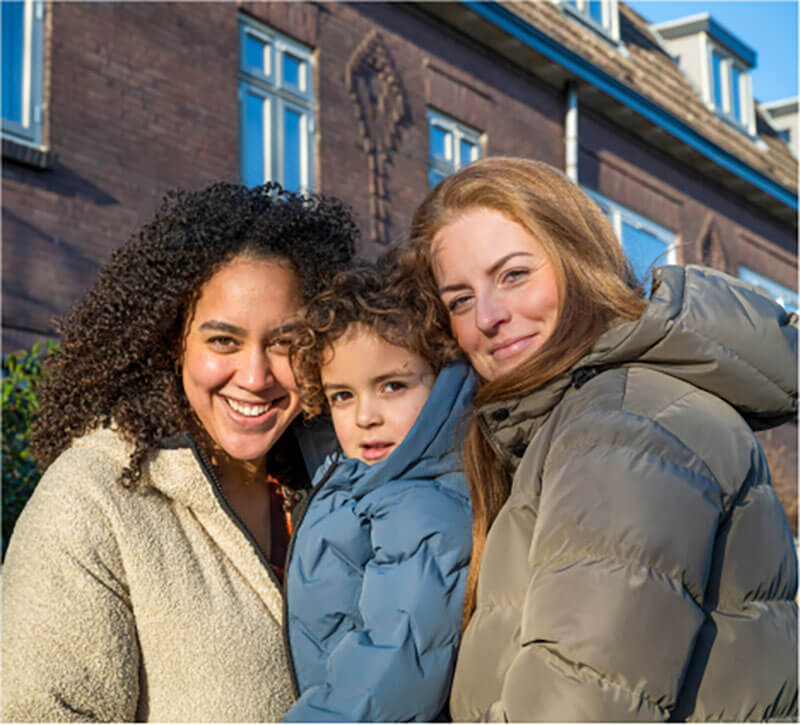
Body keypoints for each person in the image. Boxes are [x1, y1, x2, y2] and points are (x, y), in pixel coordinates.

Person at [404, 156, 798, 721]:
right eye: (460, 300)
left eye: (513, 275)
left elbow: (579, 704)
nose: (487, 316)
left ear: (579, 261)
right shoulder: (583, 417)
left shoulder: (622, 426)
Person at [1, 182, 357, 722]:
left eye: (284, 342)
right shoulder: (92, 497)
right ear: (174, 342)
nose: (256, 376)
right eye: (223, 341)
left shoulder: (346, 477)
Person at [282, 264, 475, 722]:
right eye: (342, 396)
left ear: (443, 385)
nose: (365, 416)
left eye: (392, 386)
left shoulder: (425, 512)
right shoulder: (361, 486)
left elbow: (390, 674)